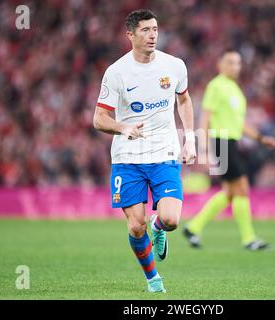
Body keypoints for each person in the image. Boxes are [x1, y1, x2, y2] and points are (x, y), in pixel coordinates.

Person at [93, 9, 196, 293]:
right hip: (128, 158)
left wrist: (190, 139)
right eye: (145, 30)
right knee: (136, 227)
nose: (152, 35)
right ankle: (153, 279)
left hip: (164, 152)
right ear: (130, 35)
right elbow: (98, 119)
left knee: (172, 220)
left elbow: (184, 101)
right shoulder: (116, 73)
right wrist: (122, 128)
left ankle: (159, 227)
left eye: (155, 29)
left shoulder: (174, 66)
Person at [183, 50, 275, 250]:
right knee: (242, 188)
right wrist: (204, 148)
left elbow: (240, 122)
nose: (235, 66)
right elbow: (205, 117)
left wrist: (260, 138)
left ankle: (193, 227)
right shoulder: (216, 86)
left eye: (238, 62)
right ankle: (249, 239)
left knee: (229, 193)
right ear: (220, 65)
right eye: (230, 62)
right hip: (221, 142)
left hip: (231, 142)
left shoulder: (235, 89)